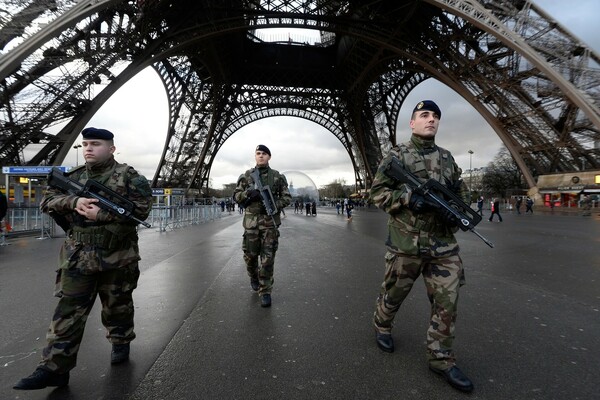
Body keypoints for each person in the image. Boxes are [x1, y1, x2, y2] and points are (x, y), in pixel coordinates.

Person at [13, 127, 153, 391]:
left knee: (118, 307)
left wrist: (100, 215)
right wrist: (73, 201)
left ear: (111, 148)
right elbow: (48, 201)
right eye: (85, 143)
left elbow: (141, 211)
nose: (88, 148)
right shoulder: (73, 177)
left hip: (118, 257)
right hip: (78, 256)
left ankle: (120, 340)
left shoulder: (131, 178)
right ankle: (54, 368)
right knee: (67, 313)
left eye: (96, 144)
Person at [370, 100, 474, 393]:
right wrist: (407, 198)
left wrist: (457, 208)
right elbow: (377, 192)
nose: (431, 119)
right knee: (394, 294)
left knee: (447, 304)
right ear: (412, 123)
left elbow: (460, 192)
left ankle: (440, 358)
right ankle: (382, 323)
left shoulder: (448, 159)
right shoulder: (396, 156)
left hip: (443, 246)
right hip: (406, 244)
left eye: (435, 116)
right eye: (424, 115)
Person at [233, 145, 291, 308]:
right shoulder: (246, 176)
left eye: (264, 154)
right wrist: (248, 194)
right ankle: (253, 277)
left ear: (269, 157)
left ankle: (265, 291)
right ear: (255, 156)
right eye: (258, 153)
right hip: (251, 224)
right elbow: (236, 195)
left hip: (269, 223)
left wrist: (274, 204)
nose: (261, 156)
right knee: (250, 257)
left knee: (267, 259)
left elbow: (287, 197)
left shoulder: (277, 177)